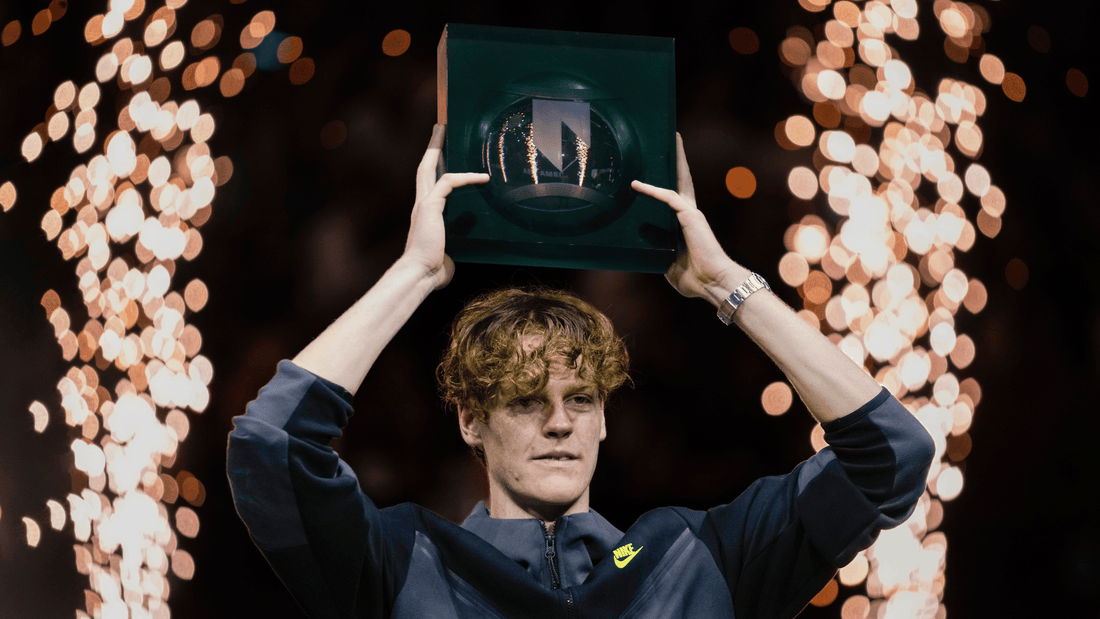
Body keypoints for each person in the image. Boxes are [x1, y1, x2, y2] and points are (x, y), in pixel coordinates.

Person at [227, 124, 935, 619]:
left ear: (603, 417)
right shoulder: (405, 561)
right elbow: (273, 448)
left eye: (581, 397)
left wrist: (727, 284)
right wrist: (414, 273)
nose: (561, 421)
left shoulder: (694, 556)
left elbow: (891, 456)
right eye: (527, 400)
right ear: (470, 419)